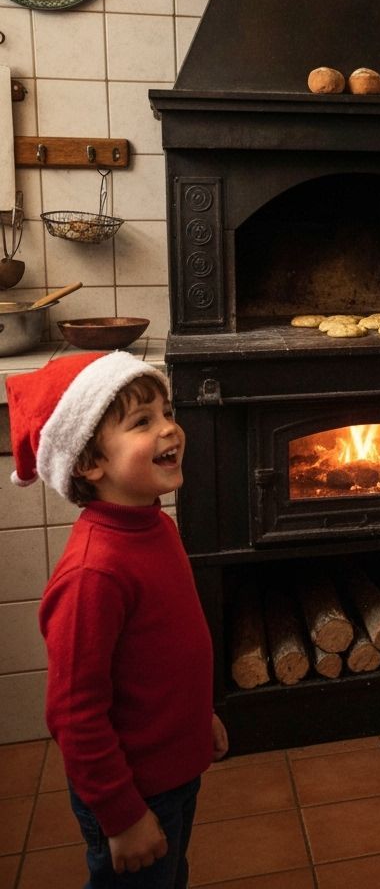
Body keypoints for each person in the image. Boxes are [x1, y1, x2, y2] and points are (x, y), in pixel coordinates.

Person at [7, 351, 228, 888]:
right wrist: (122, 816)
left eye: (167, 411)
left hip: (173, 772)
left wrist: (199, 716)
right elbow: (73, 712)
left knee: (169, 877)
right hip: (133, 790)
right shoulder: (94, 573)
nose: (170, 428)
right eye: (142, 422)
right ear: (89, 463)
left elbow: (165, 655)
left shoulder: (154, 526)